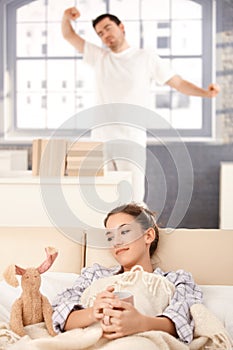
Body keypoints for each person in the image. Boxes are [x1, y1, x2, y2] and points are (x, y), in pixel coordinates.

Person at [62, 8, 220, 203]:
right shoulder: (100, 57)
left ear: (121, 27)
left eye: (108, 28)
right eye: (100, 33)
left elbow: (177, 83)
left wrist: (205, 93)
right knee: (101, 199)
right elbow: (68, 35)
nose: (105, 35)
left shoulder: (146, 58)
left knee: (133, 200)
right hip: (100, 140)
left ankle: (138, 233)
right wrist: (66, 17)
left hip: (131, 139)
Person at [52, 203, 203, 344]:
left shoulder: (176, 280)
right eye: (110, 237)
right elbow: (59, 315)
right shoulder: (94, 275)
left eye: (124, 231)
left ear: (148, 236)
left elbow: (182, 321)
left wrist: (140, 323)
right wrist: (93, 312)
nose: (116, 242)